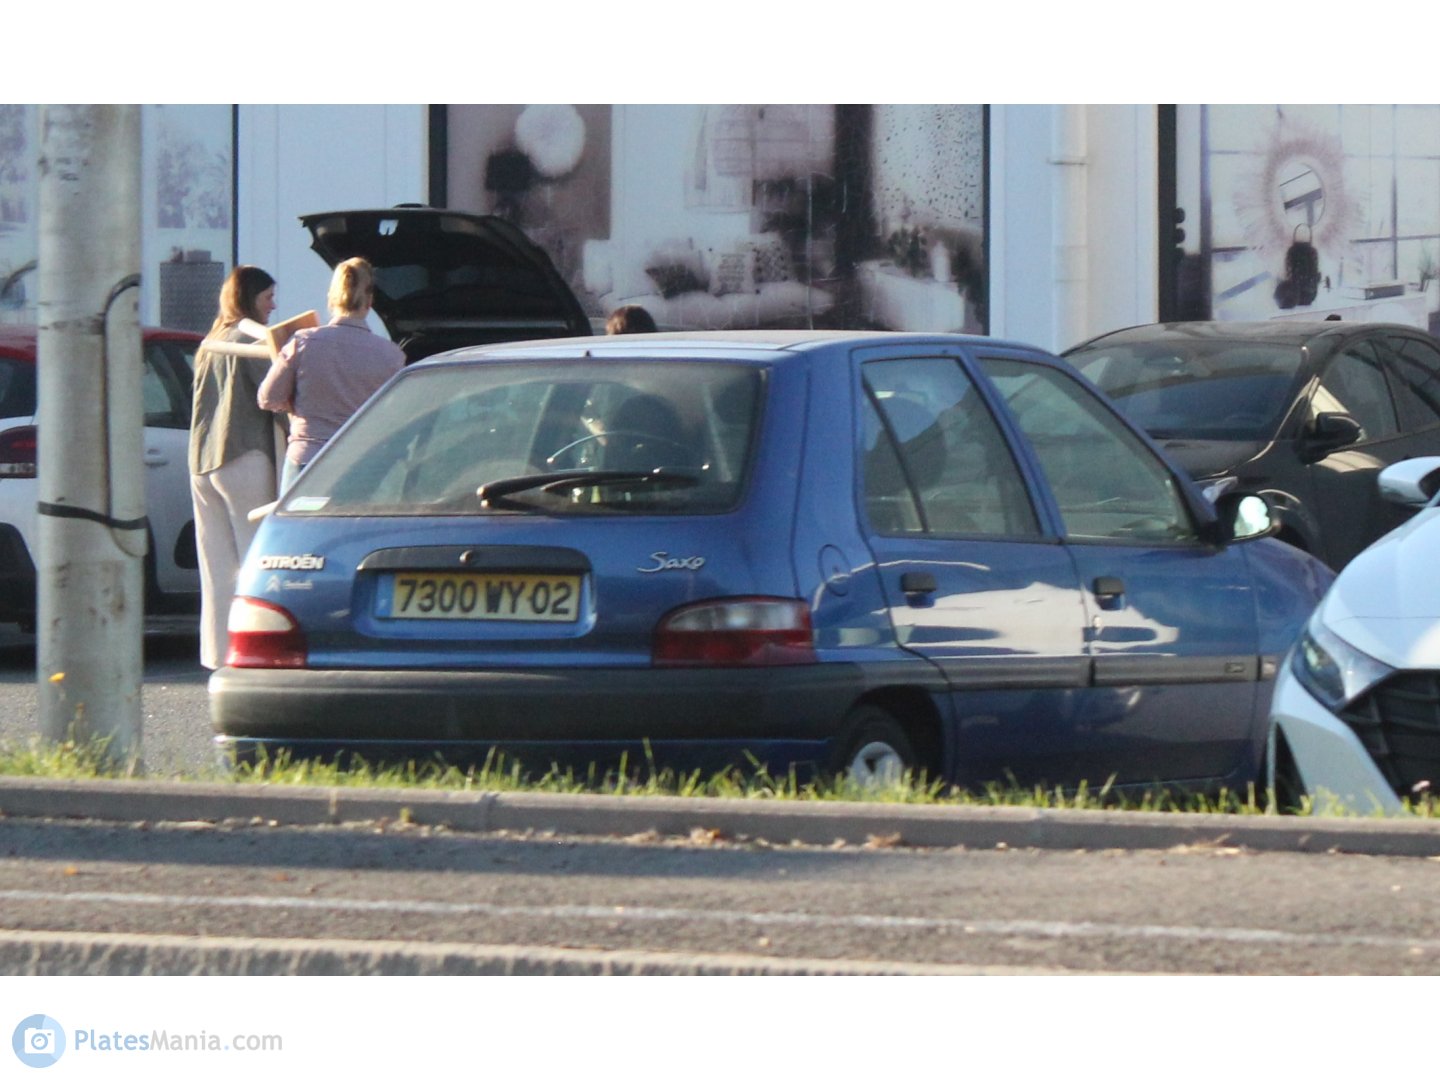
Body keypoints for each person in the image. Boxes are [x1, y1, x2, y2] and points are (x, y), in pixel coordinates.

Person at [190, 265, 279, 670]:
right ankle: (252, 653)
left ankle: (216, 655)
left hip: (202, 462)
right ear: (249, 300)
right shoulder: (251, 338)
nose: (273, 305)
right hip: (244, 455)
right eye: (267, 298)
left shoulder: (212, 340)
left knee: (216, 567)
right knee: (253, 558)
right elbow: (275, 396)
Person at [258, 257, 405, 491]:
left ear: (332, 298)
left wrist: (295, 402)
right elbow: (397, 417)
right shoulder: (391, 356)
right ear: (369, 301)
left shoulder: (303, 342)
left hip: (307, 460)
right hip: (362, 465)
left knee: (298, 528)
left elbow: (267, 398)